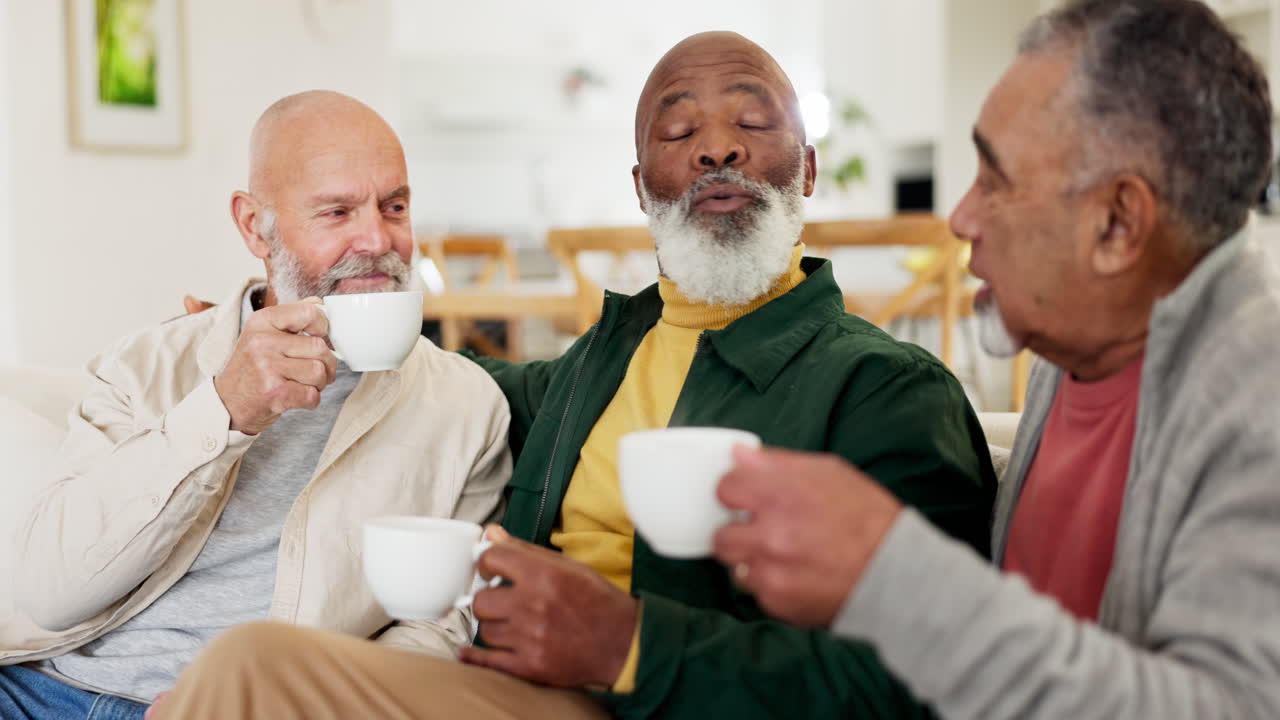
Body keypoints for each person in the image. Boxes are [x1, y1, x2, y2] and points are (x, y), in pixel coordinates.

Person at [153, 32, 997, 720]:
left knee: (250, 673)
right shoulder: (595, 367)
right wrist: (257, 324)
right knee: (245, 663)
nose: (716, 148)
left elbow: (932, 678)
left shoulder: (889, 390)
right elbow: (437, 375)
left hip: (656, 700)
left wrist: (630, 644)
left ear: (807, 171)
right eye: (677, 133)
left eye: (752, 121)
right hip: (515, 686)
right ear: (642, 189)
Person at [711, 2, 1280, 718]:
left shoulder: (1261, 401)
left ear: (1117, 223)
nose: (961, 218)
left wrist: (890, 572)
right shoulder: (1077, 343)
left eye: (996, 180)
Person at [0, 91, 511, 720]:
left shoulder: (465, 407)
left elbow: (438, 629)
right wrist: (223, 410)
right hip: (38, 689)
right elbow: (50, 589)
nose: (377, 238)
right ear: (253, 227)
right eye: (336, 211)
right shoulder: (148, 363)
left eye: (394, 206)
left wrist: (273, 701)